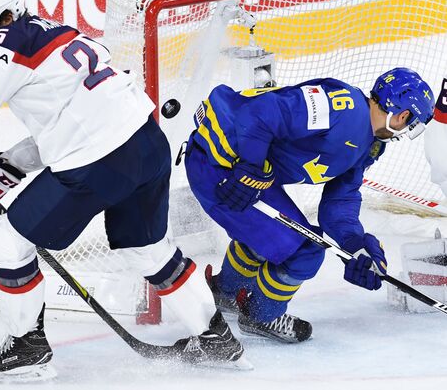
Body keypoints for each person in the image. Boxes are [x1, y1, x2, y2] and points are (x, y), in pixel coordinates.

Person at [0, 0, 247, 382]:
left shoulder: (6, 41)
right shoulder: (57, 32)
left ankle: (26, 349)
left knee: (7, 243)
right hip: (147, 144)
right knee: (148, 250)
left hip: (98, 162)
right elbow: (69, 122)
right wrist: (10, 166)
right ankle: (215, 338)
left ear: (4, 17)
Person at [183, 68, 435, 343]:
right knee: (306, 250)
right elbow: (261, 112)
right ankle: (259, 314)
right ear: (403, 115)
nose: (406, 132)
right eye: (412, 124)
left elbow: (340, 201)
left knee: (272, 237)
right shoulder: (343, 106)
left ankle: (225, 292)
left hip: (237, 170)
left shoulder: (370, 144)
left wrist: (356, 246)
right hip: (222, 167)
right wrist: (251, 166)